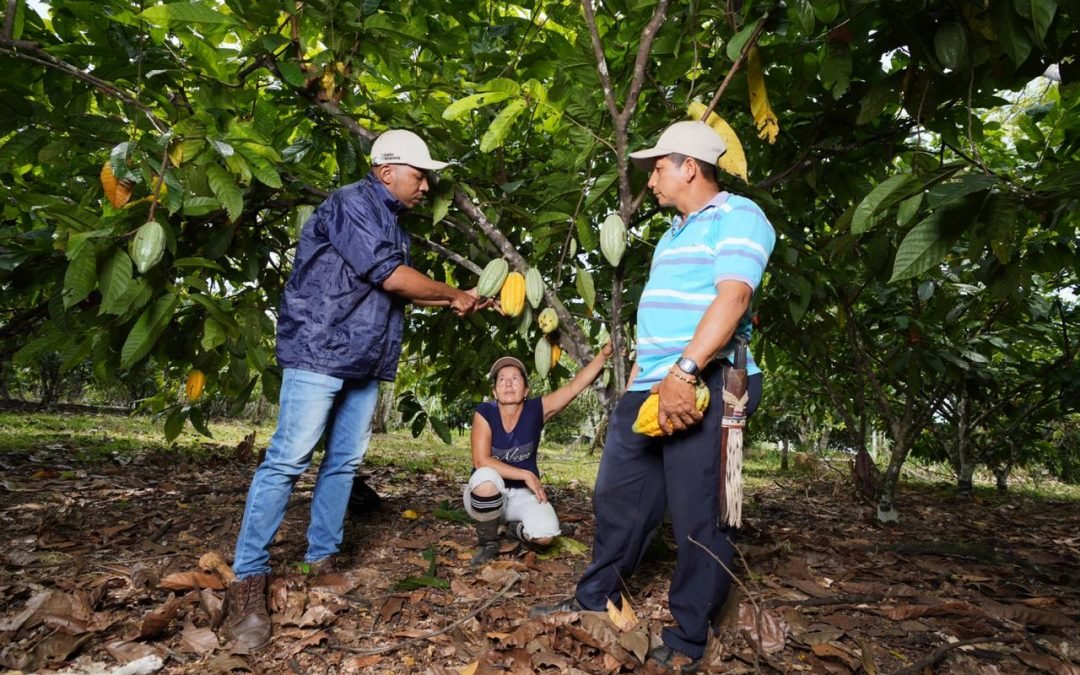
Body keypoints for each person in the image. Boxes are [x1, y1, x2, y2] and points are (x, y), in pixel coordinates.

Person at [221, 130, 488, 652]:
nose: (426, 185)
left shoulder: (392, 223)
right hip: (321, 349)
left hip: (364, 358)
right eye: (419, 175)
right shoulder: (352, 203)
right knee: (288, 459)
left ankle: (321, 559)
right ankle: (247, 580)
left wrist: (459, 301)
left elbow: (396, 287)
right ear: (387, 170)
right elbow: (391, 278)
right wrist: (455, 293)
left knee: (342, 463)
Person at [533, 120, 775, 672]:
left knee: (700, 516)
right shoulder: (674, 231)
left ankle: (690, 638)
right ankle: (594, 597)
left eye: (658, 167)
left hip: (707, 381)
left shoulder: (738, 217)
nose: (652, 180)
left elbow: (734, 299)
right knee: (618, 498)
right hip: (651, 385)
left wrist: (685, 373)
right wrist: (643, 379)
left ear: (689, 167)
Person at [465, 343, 613, 566]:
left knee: (545, 536)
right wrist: (525, 474)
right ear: (494, 391)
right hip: (487, 496)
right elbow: (481, 460)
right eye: (502, 379)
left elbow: (573, 388)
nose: (508, 383)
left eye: (515, 378)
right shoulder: (485, 413)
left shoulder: (536, 409)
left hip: (522, 496)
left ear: (526, 390)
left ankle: (515, 529)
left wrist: (603, 355)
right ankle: (489, 542)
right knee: (486, 478)